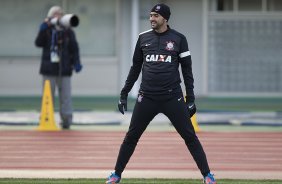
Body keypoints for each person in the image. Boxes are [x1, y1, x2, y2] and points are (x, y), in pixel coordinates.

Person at [106, 3, 216, 184]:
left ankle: (207, 176)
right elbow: (135, 68)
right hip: (146, 97)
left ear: (165, 18)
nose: (151, 19)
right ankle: (116, 175)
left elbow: (187, 71)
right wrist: (124, 93)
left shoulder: (179, 39)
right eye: (150, 15)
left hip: (172, 97)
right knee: (131, 137)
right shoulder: (143, 38)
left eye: (155, 16)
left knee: (190, 136)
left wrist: (191, 98)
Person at [35, 6, 82, 130]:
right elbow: (38, 43)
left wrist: (77, 62)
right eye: (55, 14)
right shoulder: (47, 29)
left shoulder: (68, 31)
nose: (58, 16)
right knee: (47, 95)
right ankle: (45, 118)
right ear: (50, 16)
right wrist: (43, 28)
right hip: (48, 68)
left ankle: (66, 120)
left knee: (65, 95)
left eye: (60, 14)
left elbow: (74, 48)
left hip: (65, 68)